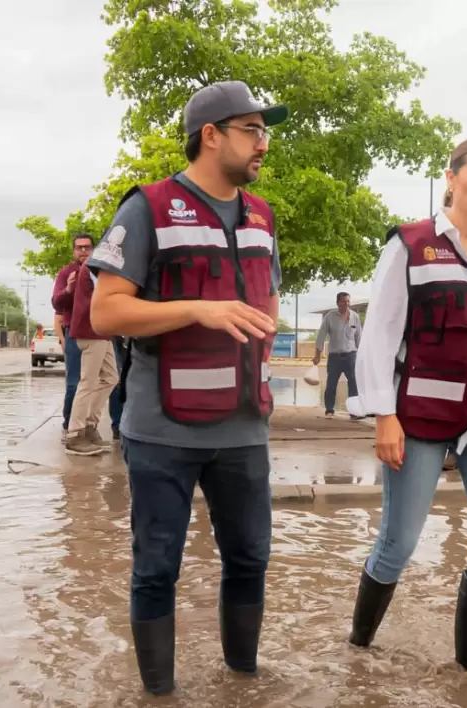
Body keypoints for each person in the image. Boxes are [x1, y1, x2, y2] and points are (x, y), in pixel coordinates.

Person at [87, 80, 286, 696]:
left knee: (250, 559)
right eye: (252, 130)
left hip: (243, 428)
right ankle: (158, 694)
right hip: (160, 430)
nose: (263, 144)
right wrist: (198, 309)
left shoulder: (262, 216)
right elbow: (105, 313)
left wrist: (261, 350)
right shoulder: (147, 208)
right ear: (211, 135)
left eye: (265, 131)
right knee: (156, 569)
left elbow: (268, 298)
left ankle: (242, 683)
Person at [345, 137, 467, 680]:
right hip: (420, 420)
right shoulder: (410, 246)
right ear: (451, 178)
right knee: (398, 543)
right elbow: (379, 339)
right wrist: (384, 416)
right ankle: (359, 644)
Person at [64, 258, 119, 455]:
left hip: (102, 332)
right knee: (88, 382)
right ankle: (75, 435)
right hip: (91, 331)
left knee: (111, 378)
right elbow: (103, 297)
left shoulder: (101, 265)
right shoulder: (98, 266)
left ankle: (88, 426)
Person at [52, 234, 93, 444]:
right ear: (73, 251)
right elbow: (57, 304)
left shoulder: (101, 271)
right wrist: (68, 289)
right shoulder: (67, 273)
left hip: (100, 332)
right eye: (79, 248)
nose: (83, 252)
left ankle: (112, 427)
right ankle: (69, 426)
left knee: (112, 380)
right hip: (74, 333)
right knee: (74, 384)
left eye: (87, 247)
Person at [313, 292, 362, 418]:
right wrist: (317, 354)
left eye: (348, 301)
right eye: (343, 301)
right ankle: (329, 409)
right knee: (331, 384)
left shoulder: (355, 316)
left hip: (351, 356)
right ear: (338, 303)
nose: (346, 304)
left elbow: (359, 337)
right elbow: (321, 336)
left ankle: (354, 412)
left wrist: (362, 356)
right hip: (335, 356)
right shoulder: (330, 317)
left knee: (354, 383)